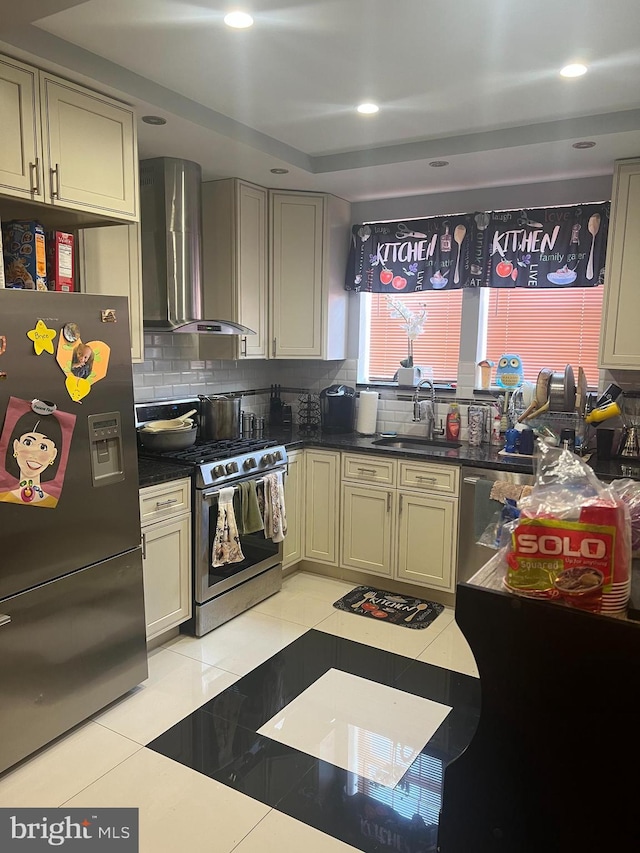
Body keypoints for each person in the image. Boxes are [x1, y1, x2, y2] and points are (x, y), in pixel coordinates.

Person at [1, 415, 62, 507]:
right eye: (28, 443)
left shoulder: (54, 501)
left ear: (53, 455)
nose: (34, 454)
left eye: (43, 447)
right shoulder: (3, 494)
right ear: (16, 446)